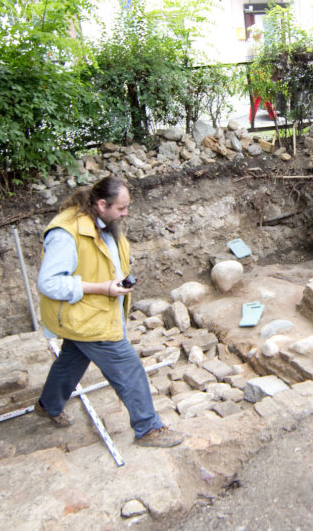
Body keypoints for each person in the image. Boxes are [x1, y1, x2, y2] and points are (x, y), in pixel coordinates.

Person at [34, 176, 185, 448]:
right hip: (88, 317)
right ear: (101, 204)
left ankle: (49, 405)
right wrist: (102, 287)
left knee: (71, 360)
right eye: (121, 208)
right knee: (129, 369)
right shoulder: (65, 233)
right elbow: (49, 283)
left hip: (92, 313)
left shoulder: (102, 223)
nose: (126, 213)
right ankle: (148, 429)